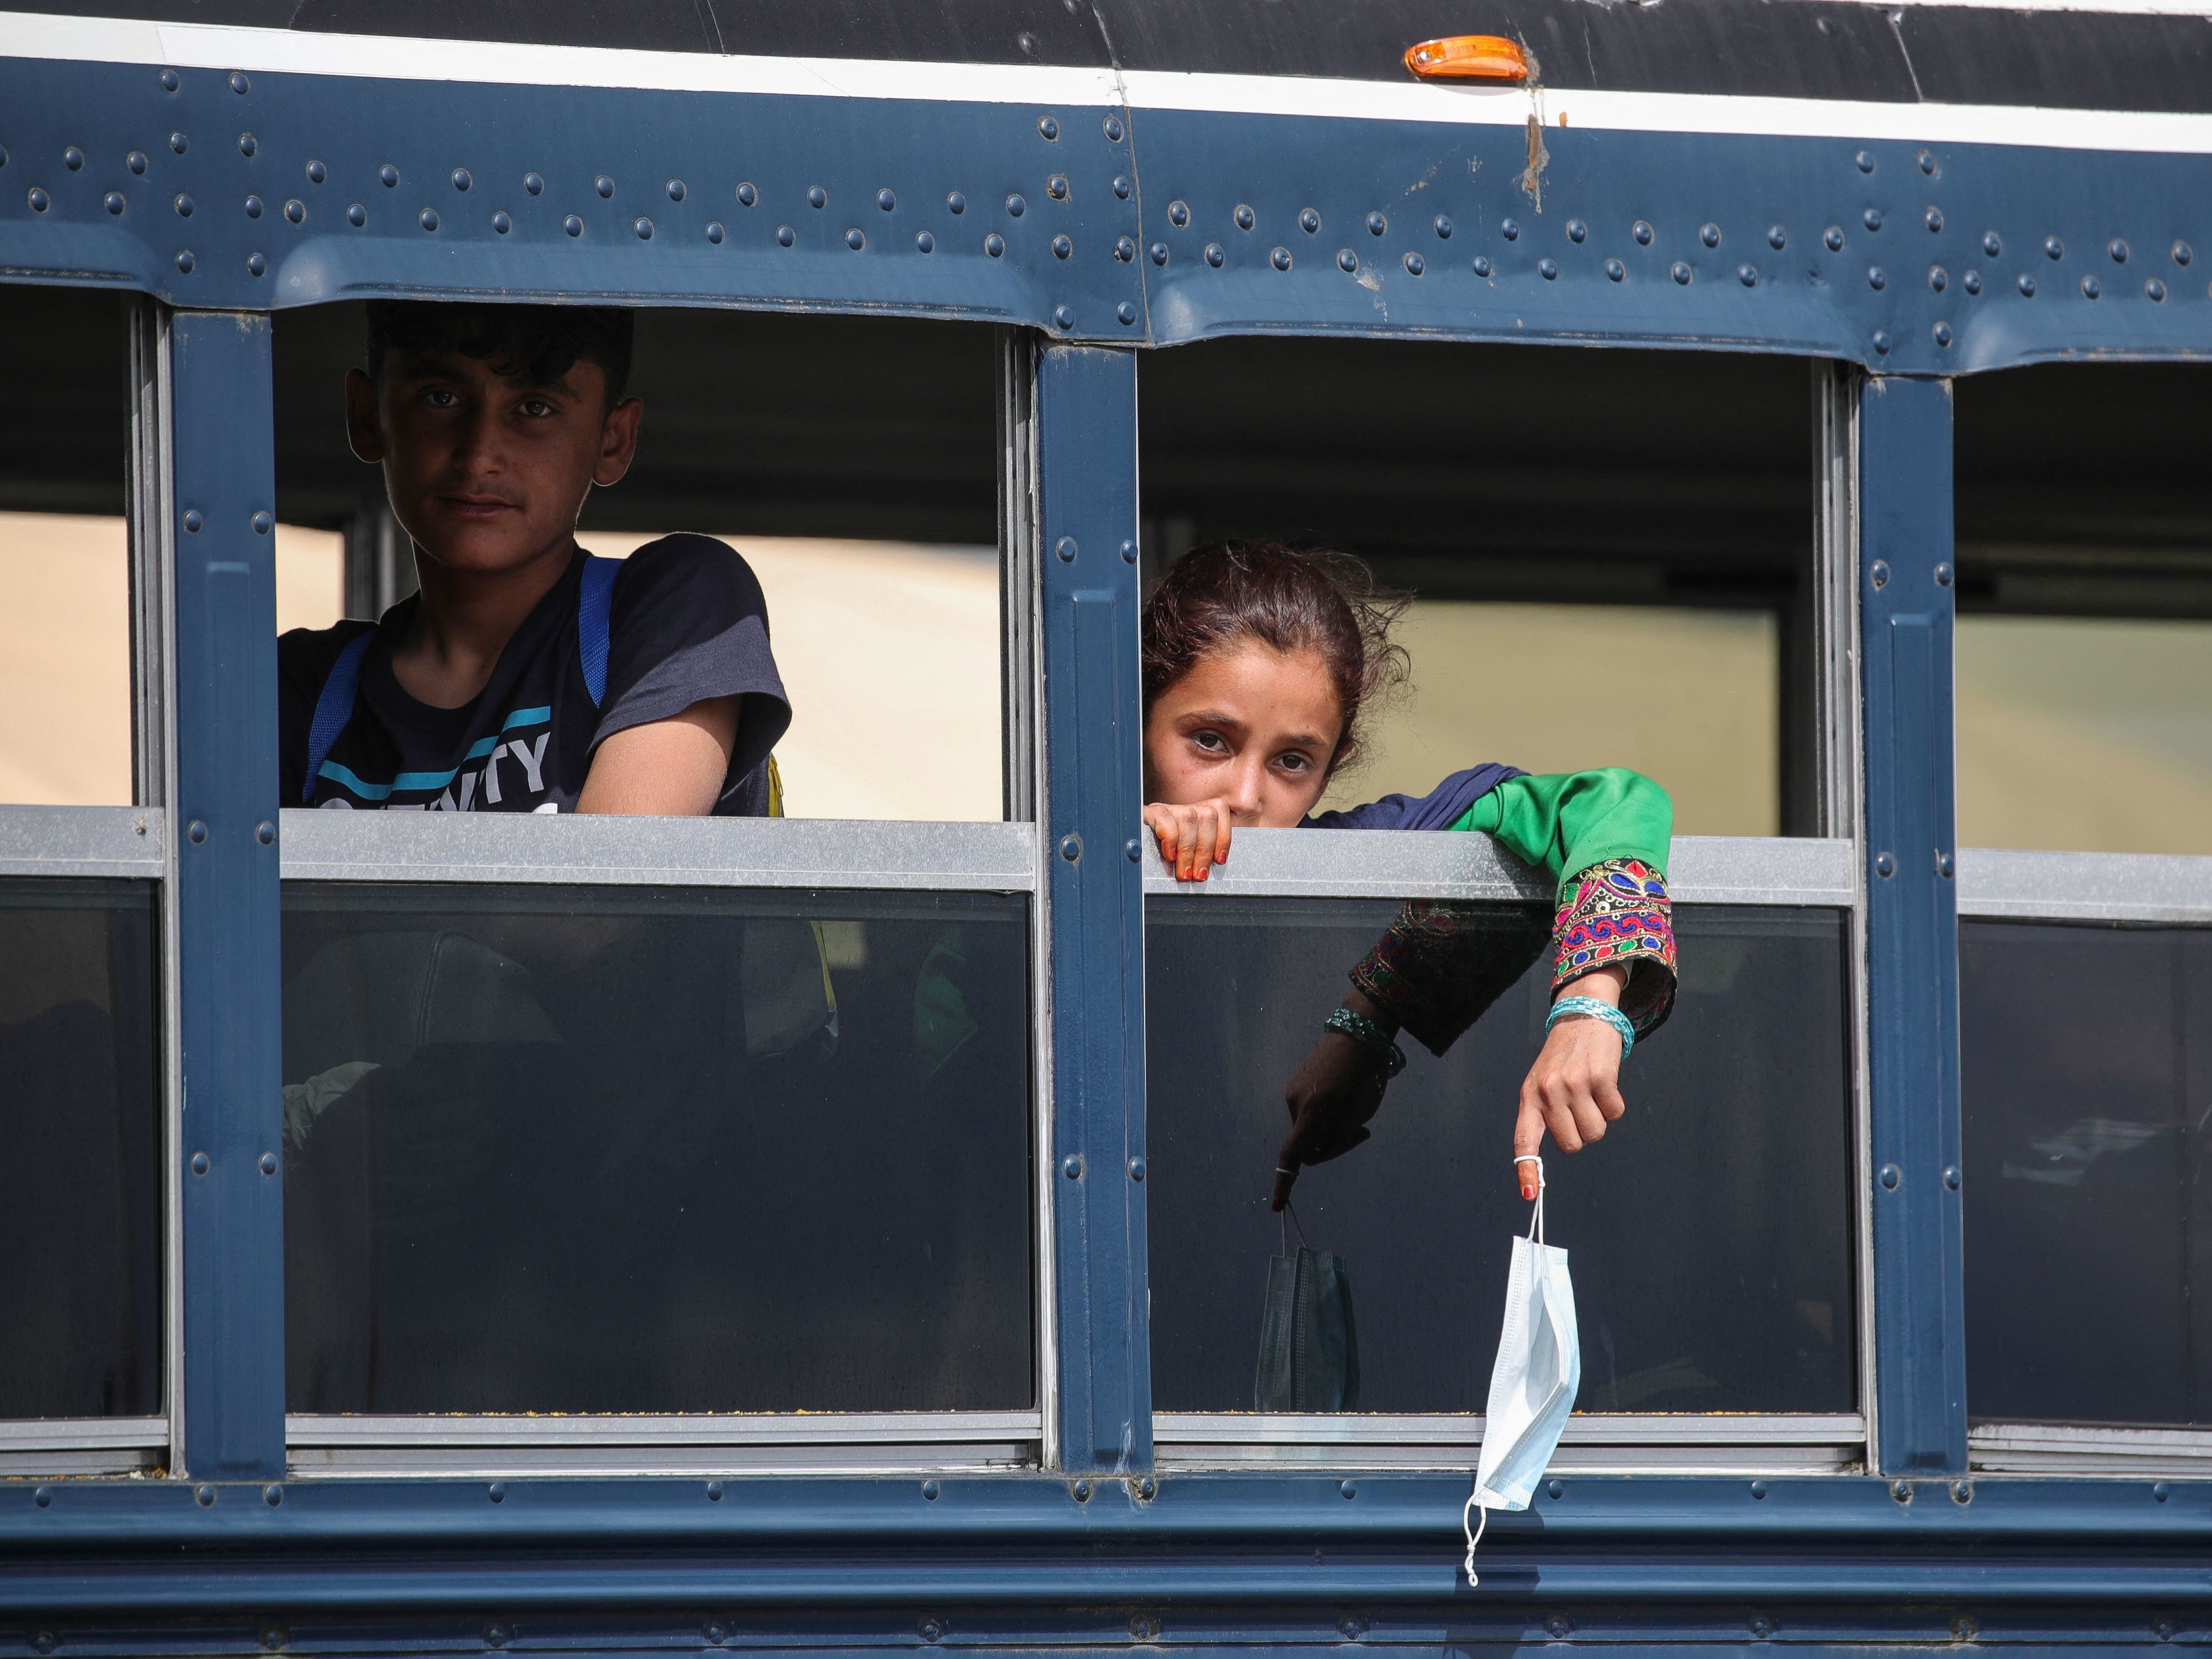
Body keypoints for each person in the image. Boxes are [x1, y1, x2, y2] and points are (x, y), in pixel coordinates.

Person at [1141, 540, 1676, 1208]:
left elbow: (1616, 802)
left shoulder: (1362, 852)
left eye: (1291, 762)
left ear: (1332, 766)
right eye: (1210, 741)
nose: (1246, 795)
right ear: (1135, 726)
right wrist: (1128, 846)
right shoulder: (1074, 869)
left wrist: (1587, 1008)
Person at [277, 301, 789, 815]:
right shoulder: (302, 690)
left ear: (613, 440)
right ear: (368, 415)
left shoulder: (678, 604)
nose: (479, 455)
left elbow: (608, 890)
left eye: (535, 408)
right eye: (442, 397)